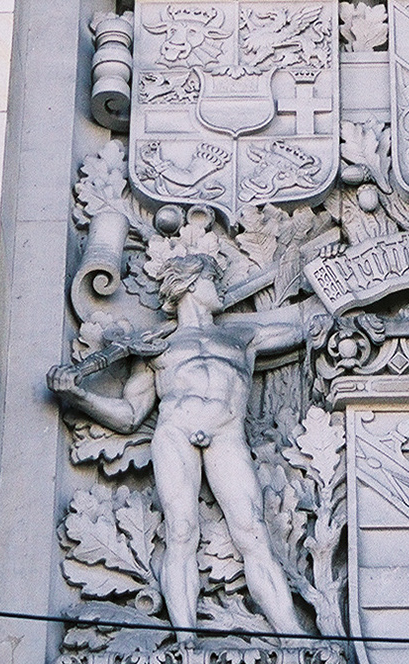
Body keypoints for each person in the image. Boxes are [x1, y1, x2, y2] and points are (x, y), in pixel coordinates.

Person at [48, 254, 325, 638]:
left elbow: (304, 324)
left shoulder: (243, 336)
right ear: (192, 284)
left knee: (253, 533)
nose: (222, 290)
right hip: (175, 435)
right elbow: (130, 415)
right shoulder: (154, 349)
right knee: (180, 532)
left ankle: (294, 639)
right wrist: (79, 395)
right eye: (215, 280)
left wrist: (328, 283)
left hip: (227, 435)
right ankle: (186, 642)